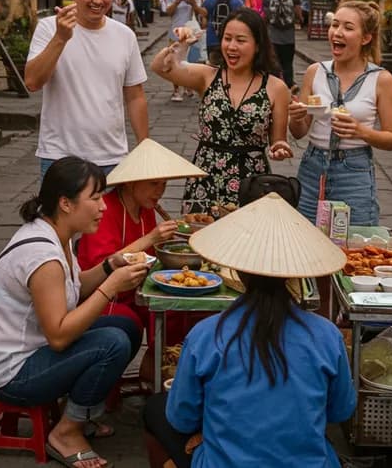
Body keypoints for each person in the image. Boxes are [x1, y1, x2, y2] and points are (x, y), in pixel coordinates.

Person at [142, 193, 356, 467]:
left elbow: (182, 416)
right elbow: (340, 411)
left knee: (155, 409)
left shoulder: (206, 335)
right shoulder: (327, 336)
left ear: (238, 272)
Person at [0, 157, 149, 468]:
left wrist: (111, 265)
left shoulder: (56, 233)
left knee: (127, 324)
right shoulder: (43, 256)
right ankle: (67, 432)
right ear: (66, 203)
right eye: (95, 198)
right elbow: (58, 337)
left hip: (35, 349)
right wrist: (111, 285)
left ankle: (83, 410)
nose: (103, 207)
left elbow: (75, 287)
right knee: (113, 341)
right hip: (14, 373)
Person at [151, 8, 293, 211]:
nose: (232, 47)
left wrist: (279, 148)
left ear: (258, 45)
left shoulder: (276, 87)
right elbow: (159, 67)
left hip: (252, 182)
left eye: (241, 40)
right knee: (201, 235)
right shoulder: (207, 76)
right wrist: (180, 45)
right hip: (206, 177)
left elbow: (278, 140)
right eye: (227, 38)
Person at [24, 0, 149, 178]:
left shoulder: (124, 35)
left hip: (112, 157)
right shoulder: (49, 28)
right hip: (60, 157)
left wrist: (145, 149)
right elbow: (33, 82)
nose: (98, 0)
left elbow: (135, 96)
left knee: (112, 214)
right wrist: (60, 38)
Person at [76, 139, 203, 338]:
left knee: (179, 309)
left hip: (137, 290)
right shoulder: (105, 210)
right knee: (132, 320)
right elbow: (102, 269)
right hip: (102, 298)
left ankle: (165, 363)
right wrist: (152, 237)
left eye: (163, 184)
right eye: (153, 184)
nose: (160, 191)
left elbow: (152, 256)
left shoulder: (145, 209)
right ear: (129, 182)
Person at [288, 1, 392, 226]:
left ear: (365, 38)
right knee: (305, 241)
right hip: (312, 167)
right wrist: (296, 118)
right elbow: (299, 132)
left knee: (355, 246)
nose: (337, 32)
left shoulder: (381, 79)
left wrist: (361, 131)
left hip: (354, 171)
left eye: (348, 28)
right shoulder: (315, 72)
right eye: (335, 25)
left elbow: (391, 139)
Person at [166, 0, 207, 101]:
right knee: (174, 61)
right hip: (175, 31)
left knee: (189, 61)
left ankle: (188, 86)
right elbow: (168, 12)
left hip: (189, 31)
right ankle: (176, 90)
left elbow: (202, 12)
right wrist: (177, 2)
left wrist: (193, 3)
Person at [263, 0, 302, 91]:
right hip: (289, 35)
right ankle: (289, 85)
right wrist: (300, 20)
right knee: (287, 62)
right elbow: (298, 12)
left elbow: (266, 14)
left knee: (274, 62)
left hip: (273, 34)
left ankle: (275, 85)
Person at [201, 0, 244, 66]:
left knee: (214, 70)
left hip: (212, 40)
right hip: (231, 42)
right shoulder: (237, 2)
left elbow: (203, 22)